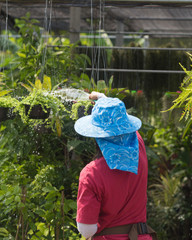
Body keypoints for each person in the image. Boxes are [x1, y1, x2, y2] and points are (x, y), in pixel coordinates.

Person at [74, 92, 157, 240]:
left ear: (96, 134)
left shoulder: (91, 174)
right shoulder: (139, 149)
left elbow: (86, 230)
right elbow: (127, 130)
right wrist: (104, 100)